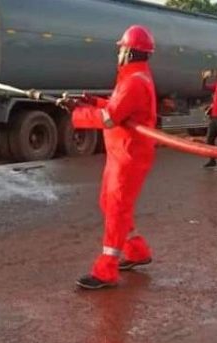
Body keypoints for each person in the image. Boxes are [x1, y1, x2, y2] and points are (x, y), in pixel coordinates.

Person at [51, 25, 157, 290]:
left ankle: (107, 269)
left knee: (117, 208)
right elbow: (116, 108)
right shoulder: (135, 77)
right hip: (122, 153)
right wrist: (89, 101)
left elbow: (110, 118)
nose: (118, 53)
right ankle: (136, 251)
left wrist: (77, 114)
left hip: (129, 156)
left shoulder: (134, 81)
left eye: (121, 48)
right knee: (110, 203)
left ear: (131, 52)